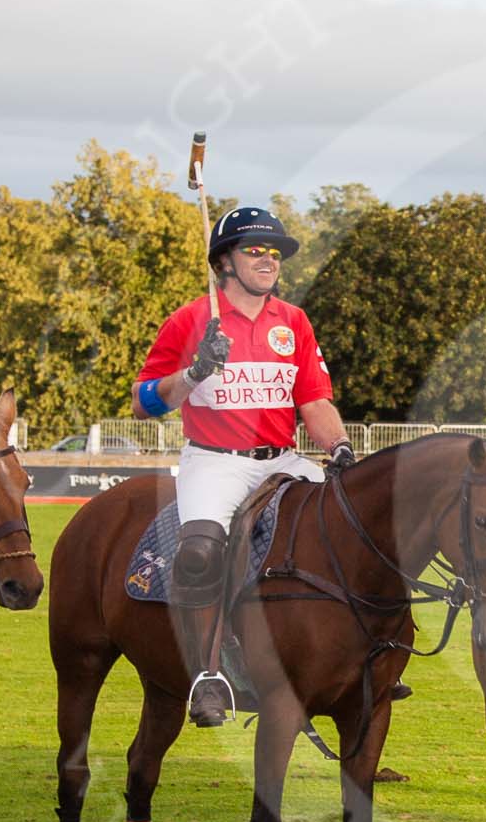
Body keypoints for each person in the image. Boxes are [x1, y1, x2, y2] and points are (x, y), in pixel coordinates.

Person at [132, 205, 356, 726]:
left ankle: (359, 652)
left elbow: (314, 400)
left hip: (283, 459)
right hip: (215, 463)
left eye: (274, 252)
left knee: (350, 527)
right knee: (199, 551)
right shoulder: (190, 321)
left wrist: (340, 446)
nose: (269, 259)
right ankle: (208, 673)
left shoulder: (293, 322)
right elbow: (144, 401)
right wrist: (194, 372)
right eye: (256, 249)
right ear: (224, 262)